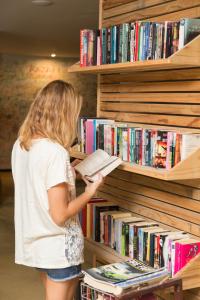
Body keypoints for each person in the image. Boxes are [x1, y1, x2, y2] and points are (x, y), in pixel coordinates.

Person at [11, 80, 103, 300]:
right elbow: (60, 215)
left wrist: (68, 172)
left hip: (38, 246)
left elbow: (36, 185)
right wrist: (91, 191)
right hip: (58, 249)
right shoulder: (55, 152)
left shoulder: (22, 145)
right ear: (64, 113)